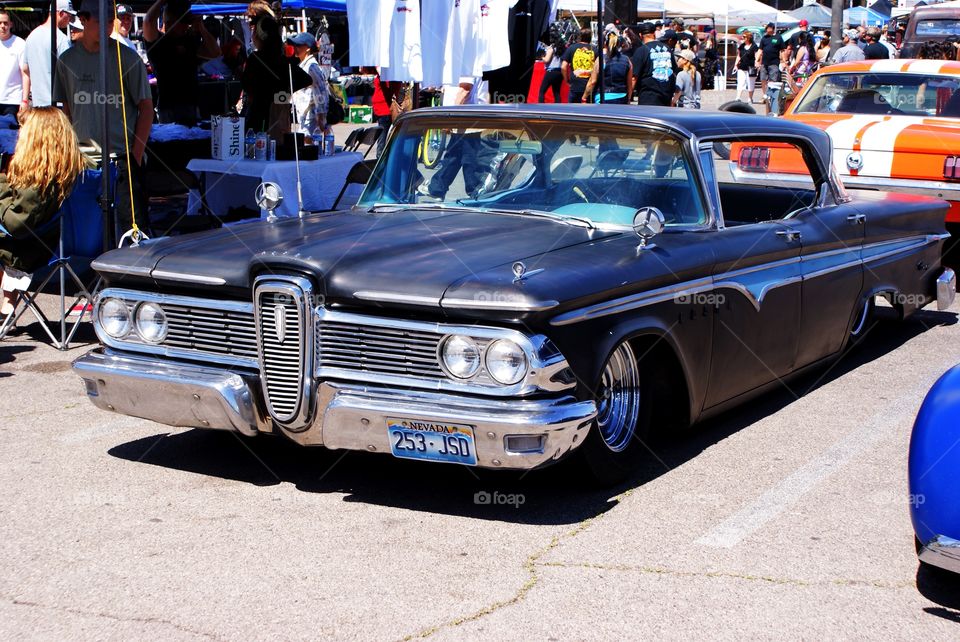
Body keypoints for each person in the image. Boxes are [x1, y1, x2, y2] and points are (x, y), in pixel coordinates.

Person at [54, 0, 153, 235]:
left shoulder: (127, 58)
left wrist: (135, 156)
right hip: (83, 162)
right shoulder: (66, 61)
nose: (107, 26)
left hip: (121, 162)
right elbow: (64, 110)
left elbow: (146, 108)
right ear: (84, 19)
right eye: (100, 20)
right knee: (88, 232)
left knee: (132, 234)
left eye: (111, 20)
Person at [0, 107, 87, 315]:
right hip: (67, 243)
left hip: (36, 250)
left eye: (24, 129)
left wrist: (2, 183)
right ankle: (8, 304)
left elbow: (16, 225)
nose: (19, 134)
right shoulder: (78, 168)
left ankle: (7, 306)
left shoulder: (37, 178)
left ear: (36, 137)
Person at [143, 0, 220, 126]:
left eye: (188, 22)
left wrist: (200, 26)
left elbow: (215, 52)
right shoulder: (158, 42)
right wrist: (162, 1)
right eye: (183, 22)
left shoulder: (189, 42)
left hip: (192, 106)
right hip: (168, 108)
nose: (186, 26)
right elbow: (148, 21)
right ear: (168, 22)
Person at [240, 15, 310, 137]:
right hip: (279, 114)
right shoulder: (282, 59)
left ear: (259, 36)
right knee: (277, 148)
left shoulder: (255, 59)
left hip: (258, 115)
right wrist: (283, 94)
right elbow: (306, 79)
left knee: (257, 150)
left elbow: (246, 85)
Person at [23, 0, 75, 109]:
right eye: (69, 15)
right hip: (58, 106)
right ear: (61, 13)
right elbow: (69, 75)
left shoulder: (31, 36)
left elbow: (25, 70)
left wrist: (25, 100)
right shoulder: (62, 40)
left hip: (37, 106)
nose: (70, 19)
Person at [286, 32, 328, 138]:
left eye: (299, 45)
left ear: (308, 48)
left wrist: (321, 115)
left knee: (309, 144)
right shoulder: (303, 65)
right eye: (295, 45)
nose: (295, 48)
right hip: (305, 115)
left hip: (312, 116)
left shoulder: (311, 67)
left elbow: (321, 90)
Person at [583, 29, 633, 104]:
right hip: (622, 97)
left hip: (603, 97)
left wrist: (584, 97)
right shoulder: (627, 60)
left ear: (604, 43)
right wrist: (628, 99)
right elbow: (629, 83)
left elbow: (592, 81)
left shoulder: (601, 59)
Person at [632, 22, 676, 107]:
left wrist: (628, 98)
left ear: (641, 35)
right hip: (666, 95)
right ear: (654, 34)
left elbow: (634, 78)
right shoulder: (666, 48)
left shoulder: (641, 51)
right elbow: (673, 72)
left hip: (648, 97)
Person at [0, 11, 27, 118]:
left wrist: (25, 100)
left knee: (11, 134)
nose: (3, 26)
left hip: (12, 101)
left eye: (5, 23)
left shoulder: (20, 44)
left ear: (11, 24)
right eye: (0, 23)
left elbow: (25, 74)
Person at [561, 28, 597, 104]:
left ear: (580, 37)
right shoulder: (595, 49)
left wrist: (567, 80)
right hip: (589, 85)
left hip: (575, 84)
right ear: (590, 37)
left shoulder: (571, 48)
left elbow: (563, 67)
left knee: (573, 111)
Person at [758, 22, 784, 99]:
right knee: (763, 79)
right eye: (767, 28)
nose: (768, 30)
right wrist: (757, 60)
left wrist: (784, 61)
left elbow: (782, 50)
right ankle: (765, 94)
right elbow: (760, 49)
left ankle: (770, 95)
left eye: (769, 28)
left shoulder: (778, 37)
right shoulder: (764, 38)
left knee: (773, 79)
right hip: (764, 62)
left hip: (774, 62)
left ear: (773, 29)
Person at [538, 38, 564, 103]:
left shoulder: (551, 49)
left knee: (542, 91)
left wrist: (541, 56)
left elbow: (547, 60)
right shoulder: (561, 50)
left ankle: (540, 107)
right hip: (559, 72)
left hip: (551, 71)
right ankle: (558, 108)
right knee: (556, 92)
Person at [736, 31, 758, 104]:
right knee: (740, 82)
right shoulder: (741, 46)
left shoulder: (754, 46)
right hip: (741, 67)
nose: (743, 38)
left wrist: (757, 64)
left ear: (749, 37)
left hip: (750, 68)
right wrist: (735, 65)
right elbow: (738, 56)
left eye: (744, 37)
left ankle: (750, 98)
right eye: (743, 36)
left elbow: (757, 56)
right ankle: (738, 97)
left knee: (750, 83)